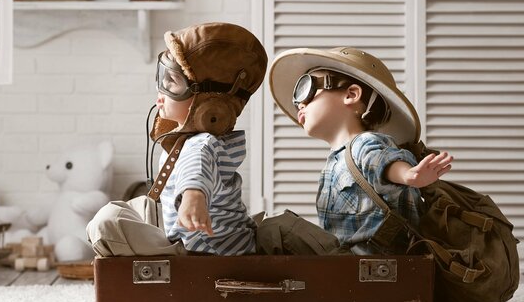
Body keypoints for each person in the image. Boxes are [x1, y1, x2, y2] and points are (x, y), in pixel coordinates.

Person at [87, 22, 268, 256]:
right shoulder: (189, 141)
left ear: (211, 106)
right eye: (162, 78)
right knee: (139, 206)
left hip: (209, 255)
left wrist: (193, 196)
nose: (161, 93)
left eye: (172, 82)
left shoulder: (203, 144)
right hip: (192, 241)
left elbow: (197, 169)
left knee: (108, 221)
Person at [269, 47, 453, 255]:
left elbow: (380, 161)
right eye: (296, 100)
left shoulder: (363, 143)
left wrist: (409, 175)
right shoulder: (335, 162)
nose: (300, 104)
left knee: (273, 228)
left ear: (351, 94)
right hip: (346, 261)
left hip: (369, 260)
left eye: (307, 90)